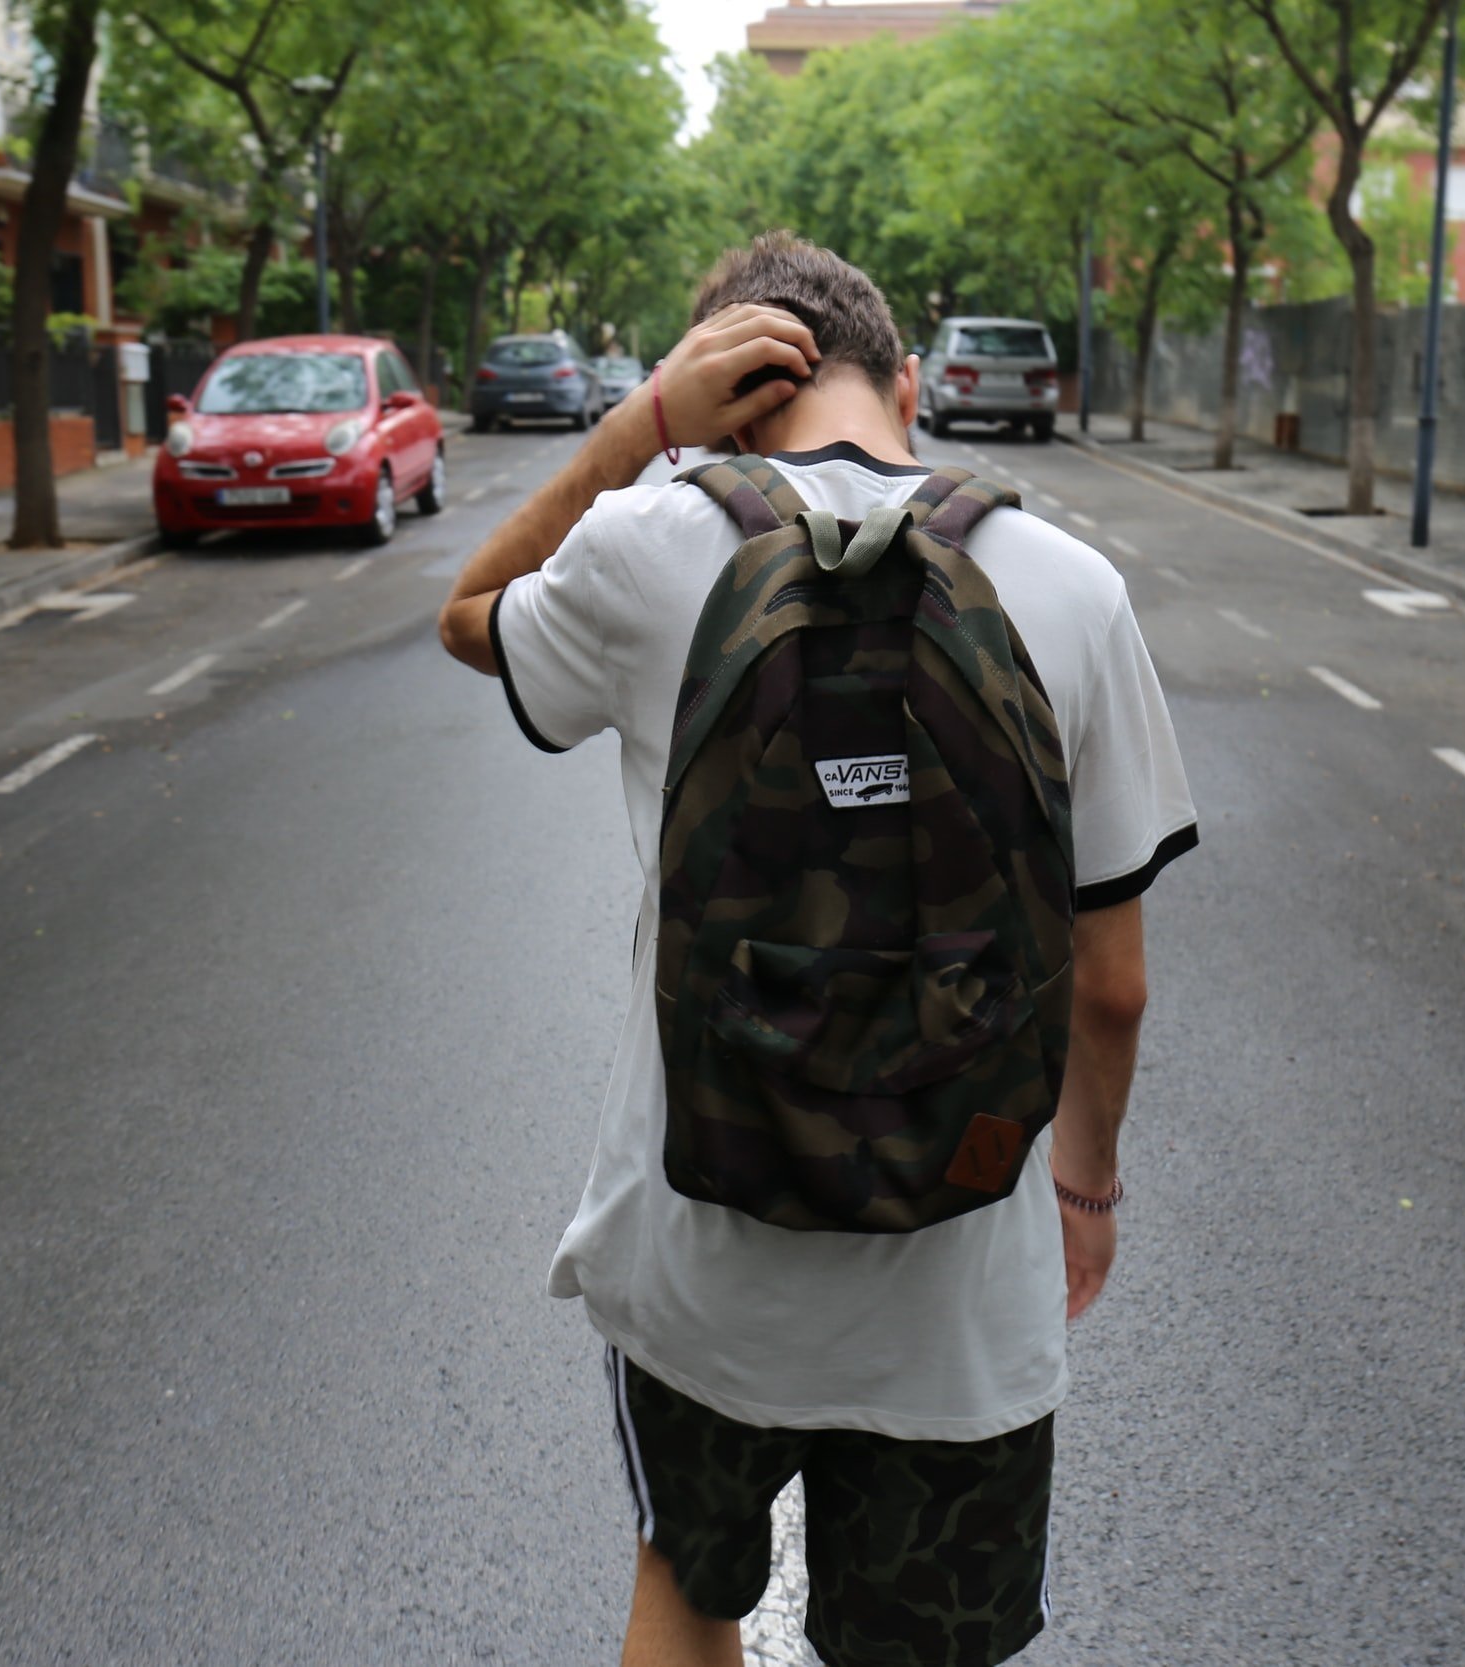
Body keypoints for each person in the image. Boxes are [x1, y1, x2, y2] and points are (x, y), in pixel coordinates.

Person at [439, 233, 1196, 1667]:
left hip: (700, 1261)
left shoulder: (651, 548)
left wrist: (637, 432)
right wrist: (1083, 1191)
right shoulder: (1075, 588)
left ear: (724, 393)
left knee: (686, 1595)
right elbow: (1112, 984)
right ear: (908, 383)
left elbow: (467, 614)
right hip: (961, 1292)